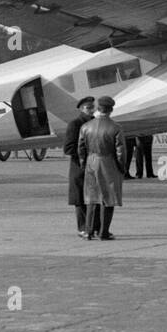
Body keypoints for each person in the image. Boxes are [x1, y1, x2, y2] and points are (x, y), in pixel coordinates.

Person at [78, 95, 125, 241]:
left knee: (92, 198)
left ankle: (89, 231)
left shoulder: (86, 126)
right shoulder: (116, 127)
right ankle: (104, 232)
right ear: (110, 110)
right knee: (108, 198)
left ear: (98, 108)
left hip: (91, 162)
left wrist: (83, 164)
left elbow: (81, 148)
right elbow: (120, 151)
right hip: (108, 162)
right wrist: (121, 168)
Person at [63, 96, 95, 237]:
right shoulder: (75, 124)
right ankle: (82, 228)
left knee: (95, 199)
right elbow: (68, 148)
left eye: (92, 107)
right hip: (80, 167)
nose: (91, 110)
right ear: (81, 109)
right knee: (80, 201)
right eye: (88, 108)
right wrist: (86, 153)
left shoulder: (96, 123)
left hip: (94, 167)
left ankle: (95, 228)